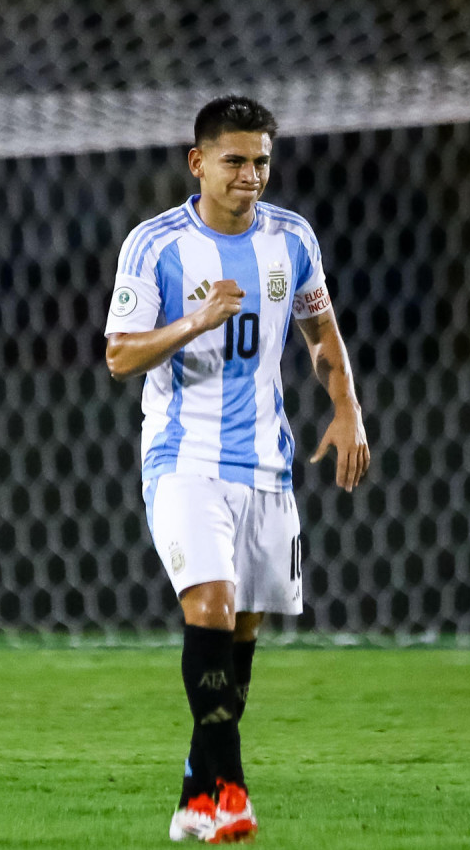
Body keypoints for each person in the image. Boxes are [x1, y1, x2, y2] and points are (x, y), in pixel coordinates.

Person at [104, 95, 370, 842]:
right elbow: (119, 355)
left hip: (267, 465)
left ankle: (196, 795)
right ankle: (233, 794)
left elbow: (323, 333)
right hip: (184, 458)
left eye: (260, 161)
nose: (249, 175)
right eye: (234, 160)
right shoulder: (155, 245)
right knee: (211, 609)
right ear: (199, 163)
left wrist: (346, 407)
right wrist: (194, 320)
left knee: (241, 638)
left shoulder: (292, 239)